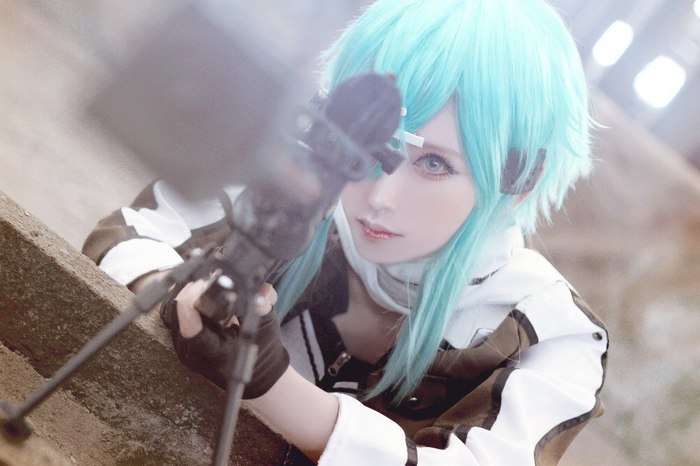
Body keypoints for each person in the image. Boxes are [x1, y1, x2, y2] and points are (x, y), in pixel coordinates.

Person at [83, 0, 608, 464]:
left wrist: (272, 386)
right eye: (370, 146)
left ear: (519, 182)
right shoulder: (292, 187)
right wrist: (184, 298)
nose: (380, 196)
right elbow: (128, 233)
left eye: (434, 164)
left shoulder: (549, 331)